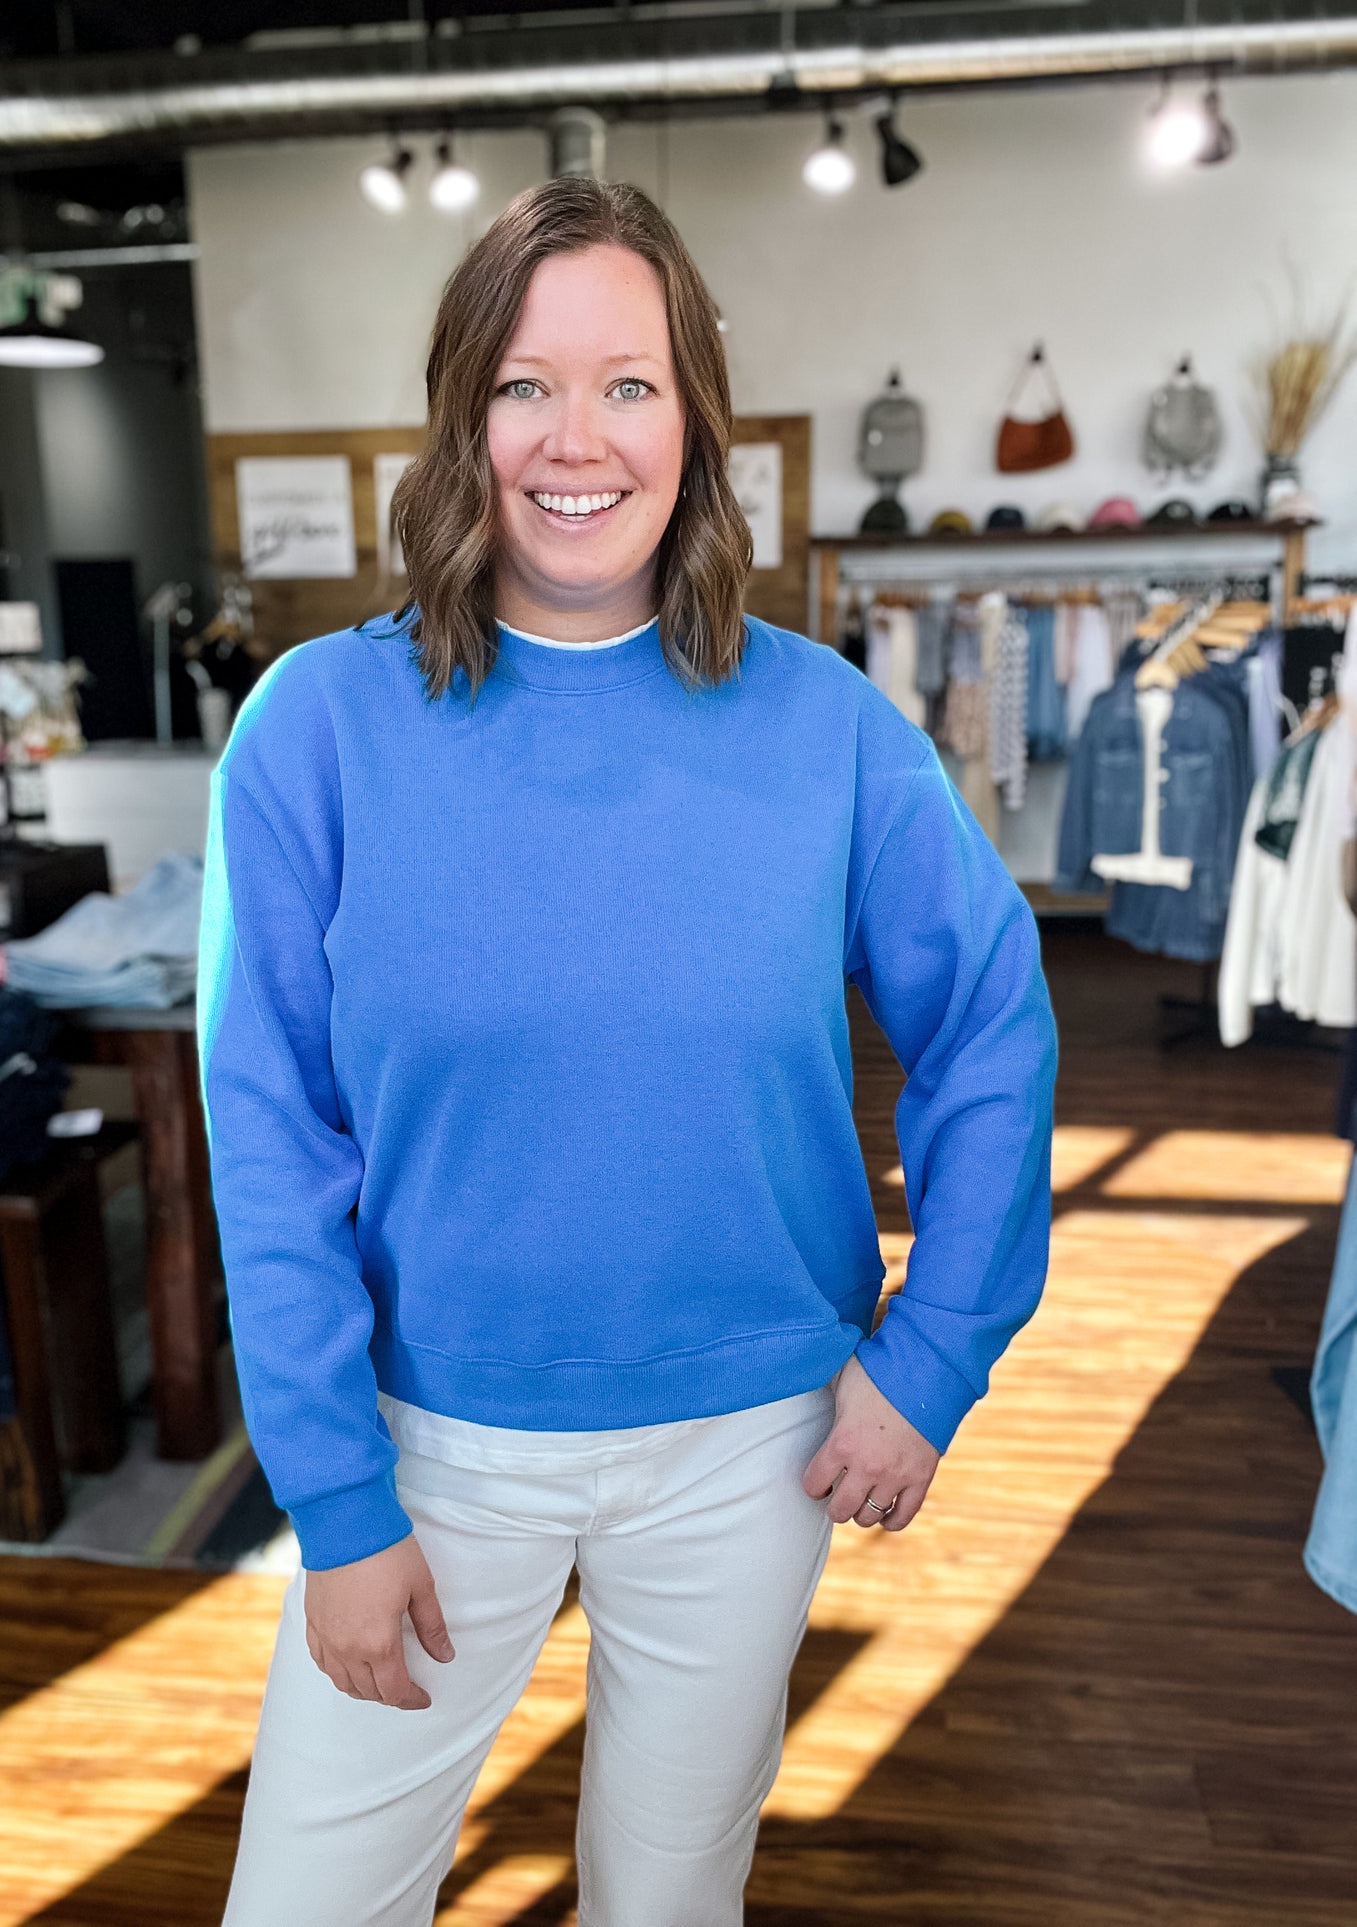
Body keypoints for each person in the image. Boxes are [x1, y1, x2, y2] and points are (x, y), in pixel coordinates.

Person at [197, 177, 1058, 1927]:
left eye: (627, 385)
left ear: (693, 426)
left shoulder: (826, 726)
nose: (570, 439)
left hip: (756, 1441)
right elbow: (268, 1126)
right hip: (430, 1446)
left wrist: (937, 1349)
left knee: (668, 1901)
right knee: (308, 1904)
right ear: (460, 421)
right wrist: (335, 1502)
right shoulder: (317, 729)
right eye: (521, 385)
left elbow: (989, 1022)